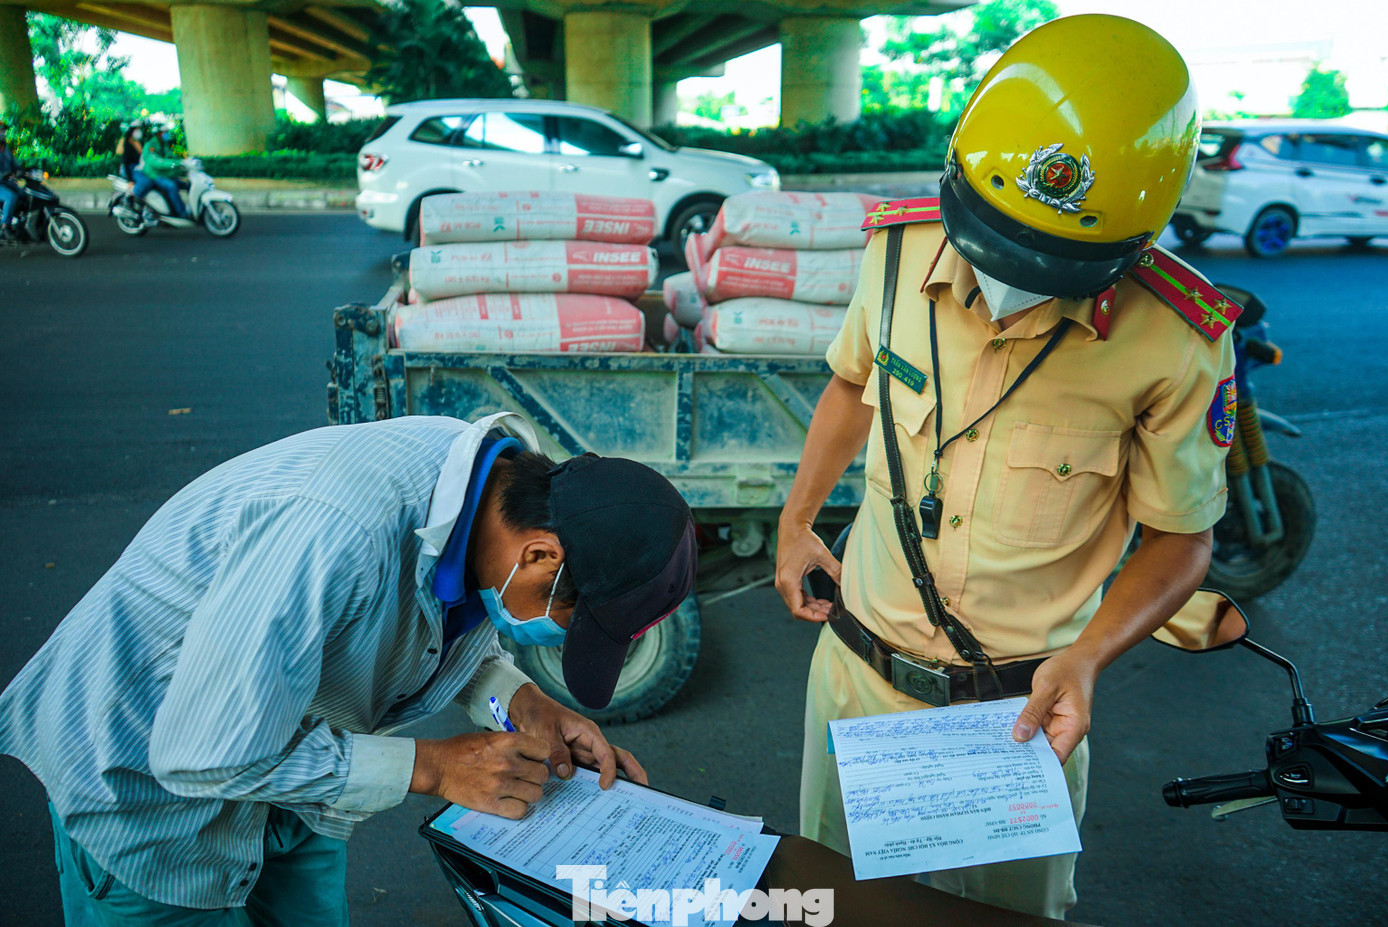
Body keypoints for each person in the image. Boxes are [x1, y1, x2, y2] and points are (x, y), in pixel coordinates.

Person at [775, 15, 1239, 920]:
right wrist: (796, 521)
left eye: (1052, 266)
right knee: (835, 907)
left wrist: (1092, 656)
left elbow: (1184, 540)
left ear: (1132, 245)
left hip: (1021, 718)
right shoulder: (900, 249)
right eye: (987, 243)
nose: (1005, 286)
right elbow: (848, 385)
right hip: (856, 685)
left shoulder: (1177, 342)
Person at [0, 412, 697, 925]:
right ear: (542, 555)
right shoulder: (337, 531)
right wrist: (434, 766)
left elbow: (439, 620)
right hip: (151, 791)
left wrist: (519, 701)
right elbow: (201, 754)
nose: (553, 634)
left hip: (298, 774)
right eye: (570, 623)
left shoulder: (498, 500)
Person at [133, 123, 191, 220]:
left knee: (186, 184)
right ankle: (181, 213)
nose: (167, 134)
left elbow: (171, 156)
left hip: (165, 173)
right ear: (158, 133)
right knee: (172, 186)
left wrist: (185, 161)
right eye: (165, 132)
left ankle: (188, 207)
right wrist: (177, 163)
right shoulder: (150, 146)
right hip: (155, 174)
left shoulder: (164, 144)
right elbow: (158, 163)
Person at [0, 120, 22, 242]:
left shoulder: (6, 150)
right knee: (11, 197)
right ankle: (5, 226)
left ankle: (19, 222)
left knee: (25, 195)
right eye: (0, 130)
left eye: (3, 130)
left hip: (8, 183)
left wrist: (24, 171)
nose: (2, 133)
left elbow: (16, 166)